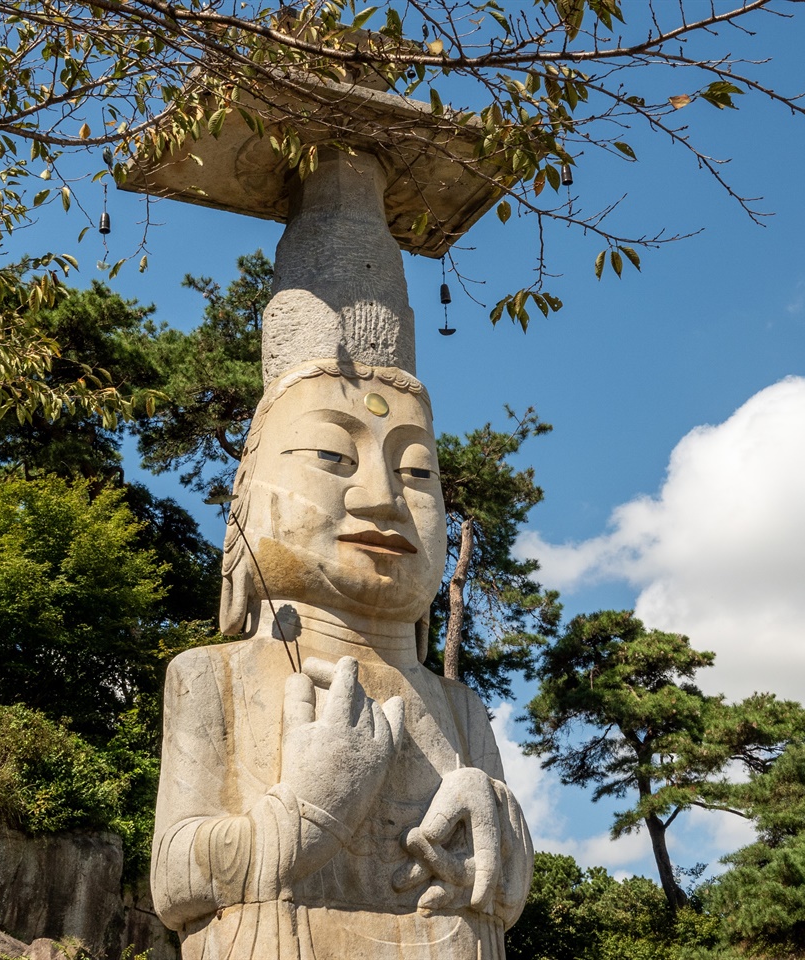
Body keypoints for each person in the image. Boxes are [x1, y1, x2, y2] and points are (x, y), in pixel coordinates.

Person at [151, 359, 533, 960]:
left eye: (417, 471)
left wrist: (496, 837)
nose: (383, 498)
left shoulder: (460, 707)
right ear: (244, 501)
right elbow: (174, 881)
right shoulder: (212, 674)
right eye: (331, 456)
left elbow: (504, 900)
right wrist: (307, 809)